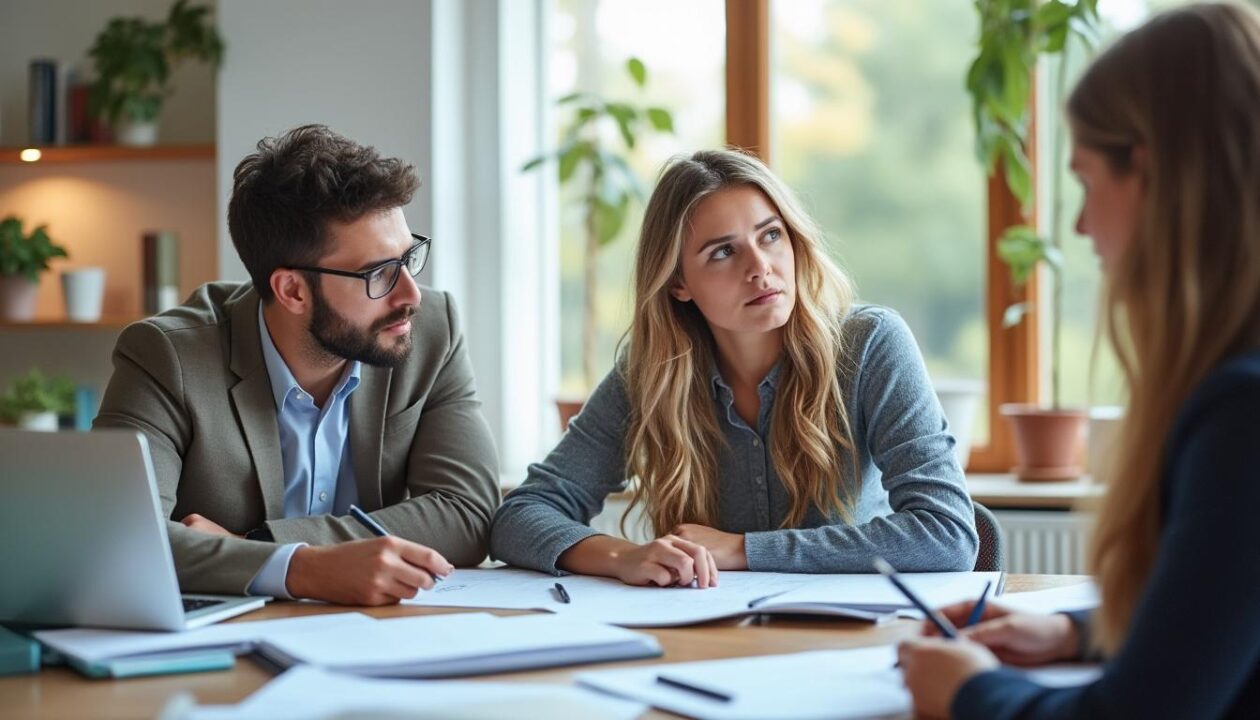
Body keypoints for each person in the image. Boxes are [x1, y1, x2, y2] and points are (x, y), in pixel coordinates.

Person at [897, 4, 1260, 717]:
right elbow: (1226, 619)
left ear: (1151, 175)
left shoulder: (1244, 415)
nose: (1081, 224)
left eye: (1088, 181)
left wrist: (969, 690)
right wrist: (1073, 631)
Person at [490, 148, 978, 588]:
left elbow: (947, 533)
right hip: (711, 639)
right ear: (678, 282)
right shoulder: (652, 372)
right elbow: (522, 515)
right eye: (723, 251)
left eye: (770, 235)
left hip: (849, 638)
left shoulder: (870, 345)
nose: (760, 266)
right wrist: (623, 557)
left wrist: (744, 549)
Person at [95, 125, 500, 606]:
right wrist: (303, 571)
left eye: (408, 257)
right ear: (292, 290)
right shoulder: (167, 356)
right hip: (228, 651)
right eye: (379, 273)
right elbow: (115, 535)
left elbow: (469, 514)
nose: (410, 294)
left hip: (379, 633)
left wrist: (261, 546)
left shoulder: (431, 329)